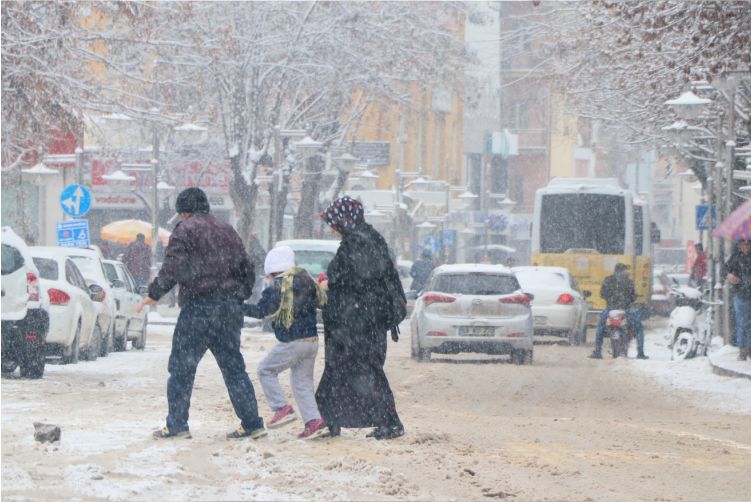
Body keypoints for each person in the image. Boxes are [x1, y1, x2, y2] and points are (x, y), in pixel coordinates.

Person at [135, 187, 265, 440]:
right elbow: (248, 268)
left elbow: (173, 267)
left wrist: (155, 293)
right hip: (228, 310)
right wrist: (238, 296)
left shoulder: (185, 230)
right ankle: (252, 423)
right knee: (233, 367)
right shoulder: (228, 230)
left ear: (183, 212)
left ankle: (177, 425)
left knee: (182, 368)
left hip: (198, 308)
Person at [315, 196, 406, 440]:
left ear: (345, 220)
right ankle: (328, 419)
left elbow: (356, 280)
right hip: (362, 321)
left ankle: (388, 422)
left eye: (334, 222)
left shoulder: (357, 242)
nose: (332, 228)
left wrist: (329, 282)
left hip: (357, 323)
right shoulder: (368, 238)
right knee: (344, 371)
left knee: (362, 372)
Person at [243, 246, 328, 439]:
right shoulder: (306, 280)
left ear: (272, 270)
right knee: (302, 383)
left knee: (265, 370)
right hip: (312, 340)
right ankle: (313, 421)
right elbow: (319, 302)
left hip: (293, 341)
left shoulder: (279, 286)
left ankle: (281, 408)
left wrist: (237, 307)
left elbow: (260, 311)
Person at [590, 263, 648, 360]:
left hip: (610, 309)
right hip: (626, 310)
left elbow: (602, 294)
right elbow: (633, 297)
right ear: (623, 271)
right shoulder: (629, 282)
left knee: (600, 327)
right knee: (639, 329)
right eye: (625, 270)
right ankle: (641, 352)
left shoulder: (607, 280)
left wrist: (611, 299)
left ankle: (597, 351)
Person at [723, 239, 751, 361]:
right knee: (742, 323)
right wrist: (729, 275)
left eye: (747, 243)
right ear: (739, 245)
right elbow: (723, 270)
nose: (745, 246)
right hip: (741, 295)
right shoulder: (735, 258)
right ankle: (743, 350)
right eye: (742, 243)